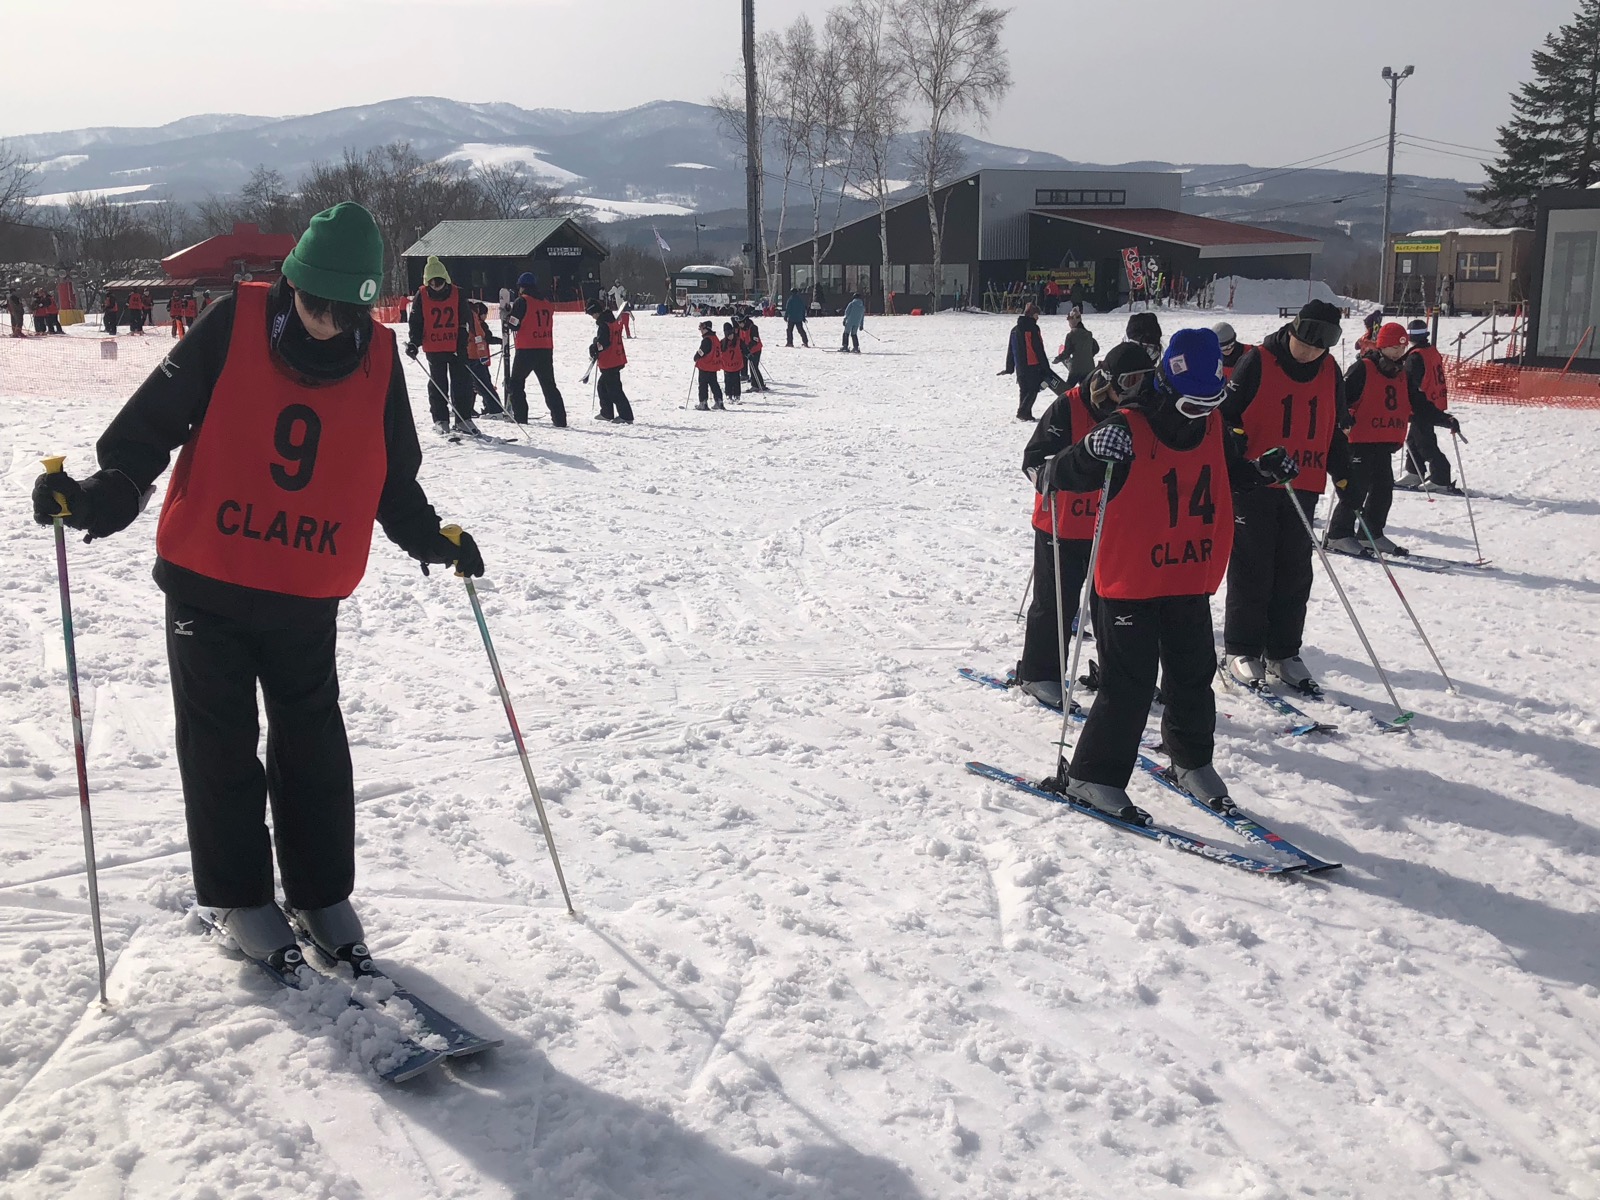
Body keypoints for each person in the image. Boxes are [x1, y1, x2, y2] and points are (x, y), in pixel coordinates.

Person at [30, 202, 484, 970]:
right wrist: (99, 499)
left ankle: (320, 892)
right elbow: (148, 432)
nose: (327, 326)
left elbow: (390, 479)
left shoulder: (376, 359)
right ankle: (240, 894)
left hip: (306, 588)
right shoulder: (232, 324)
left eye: (347, 313)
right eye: (315, 305)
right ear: (291, 283)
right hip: (207, 582)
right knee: (221, 745)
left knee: (313, 743)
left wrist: (432, 540)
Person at [1041, 328, 1298, 822]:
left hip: (1187, 574)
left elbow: (1225, 473)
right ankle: (1092, 776)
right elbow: (1060, 476)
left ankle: (1192, 760)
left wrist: (1262, 470)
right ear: (1167, 386)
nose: (1202, 415)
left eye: (1210, 404)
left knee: (1193, 675)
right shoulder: (1128, 427)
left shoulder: (1213, 424)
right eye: (1193, 406)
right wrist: (1091, 450)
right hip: (1129, 581)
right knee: (1130, 683)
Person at [1220, 300, 1347, 694]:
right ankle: (1241, 648)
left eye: (1320, 345)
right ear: (1292, 330)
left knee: (1294, 572)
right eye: (1305, 341)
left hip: (1304, 483)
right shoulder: (1258, 361)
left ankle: (1283, 650)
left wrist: (1346, 477)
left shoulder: (1330, 370)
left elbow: (1334, 426)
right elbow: (1226, 417)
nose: (1309, 351)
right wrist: (1242, 452)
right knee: (1252, 568)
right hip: (1256, 483)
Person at [1015, 342, 1148, 708]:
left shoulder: (1137, 414)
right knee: (1055, 602)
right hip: (1061, 523)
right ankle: (1039, 672)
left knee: (1113, 605)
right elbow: (1032, 460)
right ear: (1107, 379)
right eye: (1130, 381)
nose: (1136, 391)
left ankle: (1116, 671)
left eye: (1144, 382)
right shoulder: (1067, 406)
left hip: (1111, 526)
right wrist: (1048, 475)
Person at [1325, 323, 1459, 559]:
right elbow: (1339, 398)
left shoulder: (1402, 375)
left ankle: (1370, 533)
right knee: (1356, 489)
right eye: (1392, 347)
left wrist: (1444, 418)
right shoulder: (1363, 368)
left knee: (1383, 490)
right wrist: (1341, 423)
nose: (1398, 352)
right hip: (1358, 441)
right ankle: (1338, 534)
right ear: (1382, 346)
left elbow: (1418, 404)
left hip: (1383, 442)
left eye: (1402, 347)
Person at [405, 256, 479, 437]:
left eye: (439, 282)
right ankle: (440, 419)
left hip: (456, 346)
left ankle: (463, 418)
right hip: (434, 346)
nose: (436, 286)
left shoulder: (457, 293)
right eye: (432, 283)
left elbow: (465, 320)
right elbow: (416, 322)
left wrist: (461, 344)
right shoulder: (421, 295)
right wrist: (414, 342)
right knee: (438, 383)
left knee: (462, 382)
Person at [1397, 319, 1460, 492]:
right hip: (1435, 398)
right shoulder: (1430, 350)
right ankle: (1414, 471)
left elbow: (1410, 383)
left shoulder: (1415, 356)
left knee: (1424, 442)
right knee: (1414, 439)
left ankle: (1440, 477)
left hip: (1423, 403)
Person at [505, 273, 567, 428]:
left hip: (527, 349)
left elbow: (514, 324)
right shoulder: (546, 302)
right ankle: (560, 420)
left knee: (516, 384)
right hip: (545, 348)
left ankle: (521, 418)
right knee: (549, 386)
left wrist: (507, 316)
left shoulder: (522, 301)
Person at [1000, 303, 1062, 422]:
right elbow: (1038, 348)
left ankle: (1026, 413)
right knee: (1033, 389)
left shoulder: (1014, 330)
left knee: (1024, 390)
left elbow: (1011, 349)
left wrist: (1010, 367)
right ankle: (1023, 412)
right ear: (1032, 315)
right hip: (1032, 364)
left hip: (1020, 366)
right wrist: (1046, 367)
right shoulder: (1033, 328)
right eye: (1036, 315)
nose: (1037, 318)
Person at [588, 301, 633, 423]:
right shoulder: (611, 320)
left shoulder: (604, 324)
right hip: (616, 358)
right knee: (603, 386)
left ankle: (626, 416)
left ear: (596, 313)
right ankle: (607, 413)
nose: (592, 317)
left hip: (610, 361)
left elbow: (604, 343)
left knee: (614, 390)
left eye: (592, 314)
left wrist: (594, 347)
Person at [463, 300, 505, 416]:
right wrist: (501, 341)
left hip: (470, 356)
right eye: (485, 314)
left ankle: (467, 408)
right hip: (478, 356)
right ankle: (494, 409)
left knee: (472, 385)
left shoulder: (467, 317)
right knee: (483, 384)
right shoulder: (477, 322)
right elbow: (487, 337)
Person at [1051, 306, 1099, 393]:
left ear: (1073, 322)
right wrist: (1087, 355)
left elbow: (1067, 352)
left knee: (1066, 391)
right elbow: (1096, 348)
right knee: (1086, 392)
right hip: (1089, 368)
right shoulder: (1088, 334)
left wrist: (1058, 359)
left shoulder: (1071, 335)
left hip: (1076, 369)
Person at [694, 319, 725, 410]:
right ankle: (719, 401)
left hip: (705, 365)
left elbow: (702, 352)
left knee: (703, 384)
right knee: (714, 383)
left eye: (702, 329)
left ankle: (703, 402)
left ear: (706, 329)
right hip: (714, 365)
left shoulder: (707, 340)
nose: (701, 331)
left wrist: (696, 357)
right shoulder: (715, 338)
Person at [737, 311, 767, 392]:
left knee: (753, 367)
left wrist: (748, 347)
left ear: (744, 321)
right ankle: (759, 384)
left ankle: (756, 385)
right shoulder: (741, 329)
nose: (739, 325)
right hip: (748, 350)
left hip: (756, 349)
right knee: (753, 367)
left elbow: (755, 340)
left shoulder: (753, 327)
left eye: (740, 323)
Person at [719, 320, 745, 404]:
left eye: (731, 334)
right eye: (728, 335)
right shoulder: (722, 342)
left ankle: (737, 395)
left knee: (736, 380)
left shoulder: (738, 340)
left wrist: (748, 354)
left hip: (736, 365)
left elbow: (744, 348)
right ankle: (728, 394)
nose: (730, 336)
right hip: (726, 365)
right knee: (728, 381)